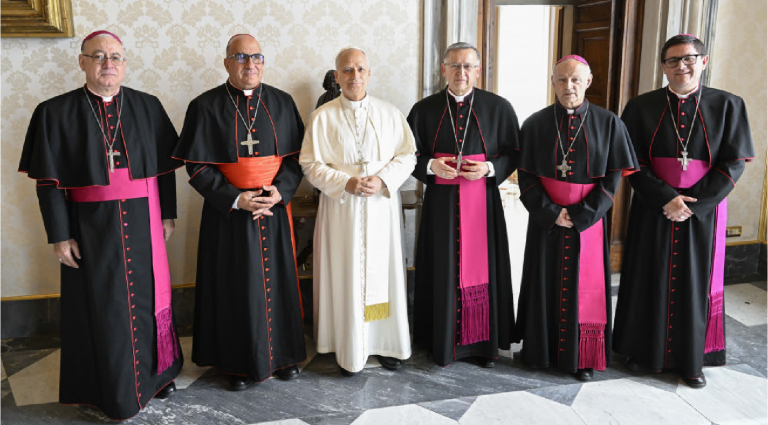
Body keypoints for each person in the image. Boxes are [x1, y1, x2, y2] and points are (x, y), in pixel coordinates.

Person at [18, 30, 182, 420]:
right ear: (82, 62)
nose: (108, 63)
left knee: (150, 299)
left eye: (116, 57)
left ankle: (157, 376)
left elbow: (164, 170)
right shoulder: (54, 112)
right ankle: (105, 387)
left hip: (143, 222)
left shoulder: (148, 106)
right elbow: (48, 184)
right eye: (99, 56)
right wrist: (60, 236)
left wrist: (167, 214)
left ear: (124, 63)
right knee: (102, 308)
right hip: (90, 228)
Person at [613, 34, 754, 388]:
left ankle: (692, 361)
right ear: (663, 66)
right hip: (653, 207)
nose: (681, 66)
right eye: (673, 60)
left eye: (689, 58)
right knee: (649, 277)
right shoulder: (640, 107)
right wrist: (666, 198)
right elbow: (632, 162)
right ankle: (643, 353)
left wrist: (695, 205)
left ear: (703, 61)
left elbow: (734, 162)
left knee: (695, 283)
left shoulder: (728, 105)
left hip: (703, 212)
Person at [173, 34, 306, 390]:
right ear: (227, 63)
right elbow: (197, 166)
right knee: (232, 286)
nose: (250, 64)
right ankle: (235, 364)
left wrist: (280, 192)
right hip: (228, 213)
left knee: (279, 280)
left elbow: (297, 158)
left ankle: (284, 356)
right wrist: (235, 199)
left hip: (274, 208)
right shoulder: (204, 106)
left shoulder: (282, 102)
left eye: (256, 57)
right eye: (241, 57)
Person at [514, 55, 638, 382]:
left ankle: (583, 356)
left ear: (588, 81)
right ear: (553, 82)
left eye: (575, 80)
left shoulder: (610, 123)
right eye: (561, 79)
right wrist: (552, 213)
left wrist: (583, 214)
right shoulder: (535, 124)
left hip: (589, 220)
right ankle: (539, 351)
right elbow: (526, 176)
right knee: (543, 283)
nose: (568, 86)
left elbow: (613, 178)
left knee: (587, 289)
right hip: (546, 220)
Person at [300, 47, 416, 376]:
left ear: (369, 73)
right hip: (342, 208)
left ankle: (384, 342)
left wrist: (383, 179)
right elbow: (309, 163)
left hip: (380, 205)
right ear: (337, 76)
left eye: (361, 69)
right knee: (345, 271)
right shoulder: (322, 117)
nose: (355, 76)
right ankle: (347, 345)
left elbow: (408, 155)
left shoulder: (389, 113)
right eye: (347, 70)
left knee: (381, 273)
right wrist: (344, 182)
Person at [407, 42, 518, 368]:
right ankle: (440, 342)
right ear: (443, 69)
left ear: (478, 70)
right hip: (440, 206)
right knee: (441, 268)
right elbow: (407, 155)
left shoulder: (498, 107)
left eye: (468, 66)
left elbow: (514, 152)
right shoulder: (423, 109)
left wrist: (490, 168)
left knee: (483, 269)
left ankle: (482, 346)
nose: (461, 72)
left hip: (482, 203)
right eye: (454, 66)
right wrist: (430, 166)